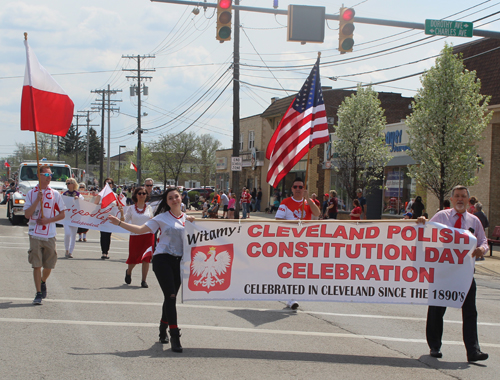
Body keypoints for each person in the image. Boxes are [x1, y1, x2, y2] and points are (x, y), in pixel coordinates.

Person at [108, 187, 195, 353]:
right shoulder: (161, 218)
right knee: (170, 295)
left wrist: (191, 219)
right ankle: (175, 336)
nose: (174, 200)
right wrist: (119, 222)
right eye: (170, 198)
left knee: (171, 297)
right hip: (162, 259)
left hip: (179, 261)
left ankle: (163, 328)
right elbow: (140, 230)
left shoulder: (187, 218)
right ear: (167, 202)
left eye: (176, 196)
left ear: (181, 198)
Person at [417, 185, 488, 362]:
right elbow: (426, 230)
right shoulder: (442, 216)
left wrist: (482, 249)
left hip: (464, 274)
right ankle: (435, 346)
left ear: (468, 200)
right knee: (436, 309)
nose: (460, 199)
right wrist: (420, 221)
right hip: (442, 272)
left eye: (463, 196)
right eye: (457, 196)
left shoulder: (474, 221)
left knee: (470, 312)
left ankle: (473, 351)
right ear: (452, 198)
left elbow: (483, 241)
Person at [23, 166, 66, 305]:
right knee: (36, 264)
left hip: (49, 233)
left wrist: (48, 220)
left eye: (50, 174)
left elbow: (62, 214)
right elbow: (27, 214)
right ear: (39, 175)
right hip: (34, 232)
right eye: (46, 174)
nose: (49, 177)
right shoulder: (31, 193)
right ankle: (38, 292)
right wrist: (37, 200)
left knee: (49, 264)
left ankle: (43, 281)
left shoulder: (55, 194)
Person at [276, 178, 320, 309]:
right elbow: (278, 219)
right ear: (292, 189)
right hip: (290, 242)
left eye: (301, 187)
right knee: (291, 269)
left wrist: (309, 200)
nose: (298, 189)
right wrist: (295, 224)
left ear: (304, 189)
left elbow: (317, 213)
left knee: (301, 270)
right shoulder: (286, 202)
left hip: (305, 243)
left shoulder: (308, 203)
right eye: (295, 187)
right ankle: (291, 298)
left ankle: (293, 295)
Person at [123, 187, 155, 288]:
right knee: (134, 258)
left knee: (146, 258)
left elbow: (153, 220)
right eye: (139, 193)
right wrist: (120, 213)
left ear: (146, 195)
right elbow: (124, 221)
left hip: (148, 236)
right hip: (135, 236)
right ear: (136, 195)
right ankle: (129, 271)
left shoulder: (149, 208)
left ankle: (143, 280)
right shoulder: (131, 208)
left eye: (144, 193)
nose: (142, 195)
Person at [94, 177, 117, 260]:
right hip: (102, 218)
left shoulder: (115, 195)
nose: (108, 184)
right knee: (103, 235)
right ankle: (104, 252)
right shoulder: (101, 194)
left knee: (108, 235)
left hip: (111, 218)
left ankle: (106, 250)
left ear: (112, 185)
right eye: (106, 183)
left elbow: (118, 206)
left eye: (110, 183)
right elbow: (95, 204)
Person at [62, 178, 84, 258]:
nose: (68, 185)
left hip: (75, 217)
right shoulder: (65, 194)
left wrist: (78, 200)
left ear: (73, 184)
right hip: (67, 217)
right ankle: (66, 249)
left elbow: (82, 203)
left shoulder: (78, 194)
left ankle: (70, 252)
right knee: (67, 233)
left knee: (73, 235)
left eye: (69, 183)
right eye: (67, 183)